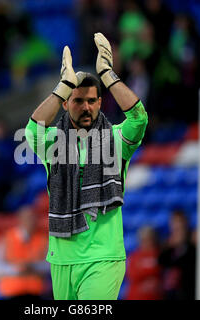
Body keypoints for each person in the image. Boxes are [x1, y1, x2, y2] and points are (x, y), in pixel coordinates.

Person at [24, 32, 149, 300]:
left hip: (102, 258)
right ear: (67, 103)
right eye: (78, 100)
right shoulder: (54, 143)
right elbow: (32, 131)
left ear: (100, 103)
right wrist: (64, 85)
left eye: (92, 100)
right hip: (61, 259)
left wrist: (107, 74)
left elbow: (139, 120)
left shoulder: (116, 139)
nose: (86, 107)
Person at [0, 206, 48, 299]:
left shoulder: (44, 239)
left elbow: (50, 265)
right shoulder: (6, 238)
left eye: (33, 218)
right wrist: (16, 269)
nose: (31, 221)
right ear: (20, 219)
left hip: (36, 291)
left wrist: (32, 267)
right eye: (28, 218)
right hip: (11, 291)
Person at [158, 210, 196, 300]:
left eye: (179, 222)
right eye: (174, 222)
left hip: (188, 292)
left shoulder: (192, 244)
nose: (177, 227)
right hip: (170, 293)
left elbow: (190, 264)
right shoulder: (167, 245)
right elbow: (161, 262)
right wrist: (169, 247)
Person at [125, 226, 162, 300]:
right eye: (143, 240)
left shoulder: (159, 254)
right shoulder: (134, 257)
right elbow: (132, 275)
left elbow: (161, 271)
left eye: (149, 239)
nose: (146, 242)